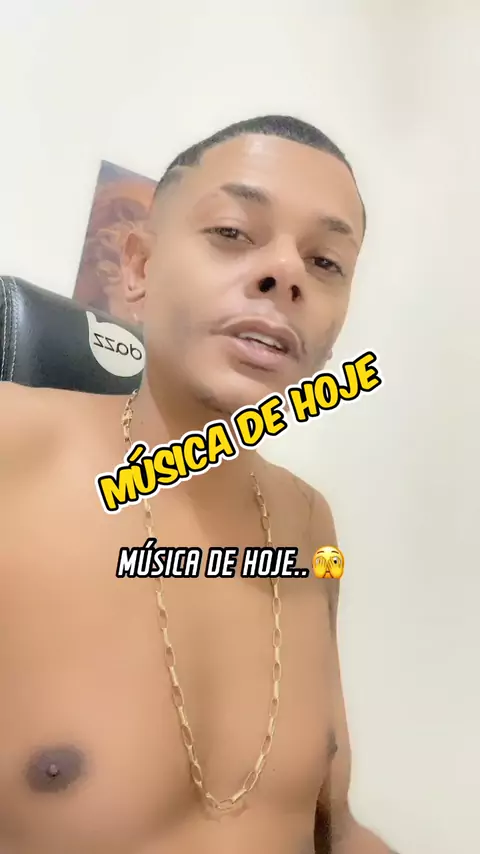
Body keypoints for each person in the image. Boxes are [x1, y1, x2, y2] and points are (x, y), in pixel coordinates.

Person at [0, 115, 398, 853]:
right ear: (140, 267)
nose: (287, 274)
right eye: (233, 233)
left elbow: (336, 830)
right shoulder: (12, 450)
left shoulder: (311, 527)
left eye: (326, 262)